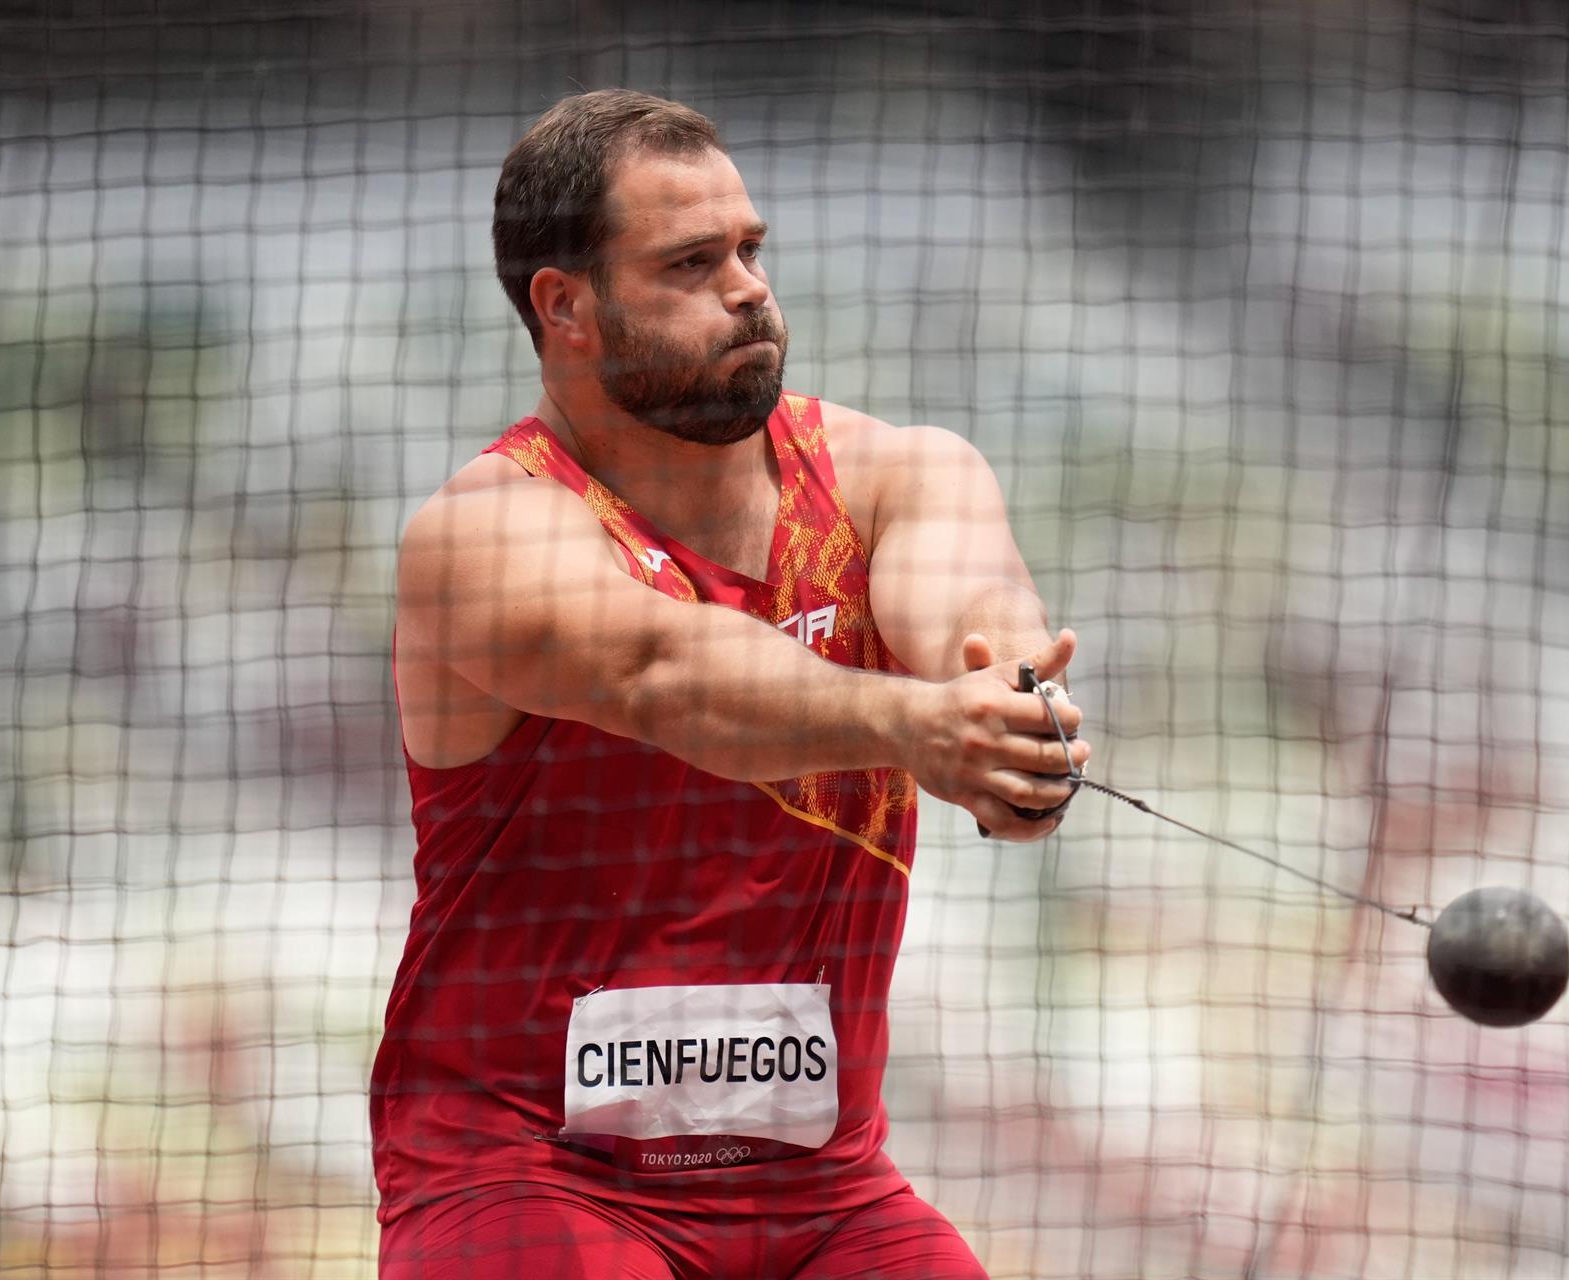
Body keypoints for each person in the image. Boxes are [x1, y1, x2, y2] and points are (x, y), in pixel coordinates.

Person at [371, 88, 1087, 1279]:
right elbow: (660, 668)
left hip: (822, 1189)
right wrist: (921, 726)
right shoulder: (483, 532)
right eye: (693, 263)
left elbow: (972, 609)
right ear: (568, 307)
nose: (748, 287)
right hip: (524, 1170)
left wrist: (1010, 708)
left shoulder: (894, 473)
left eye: (751, 249)